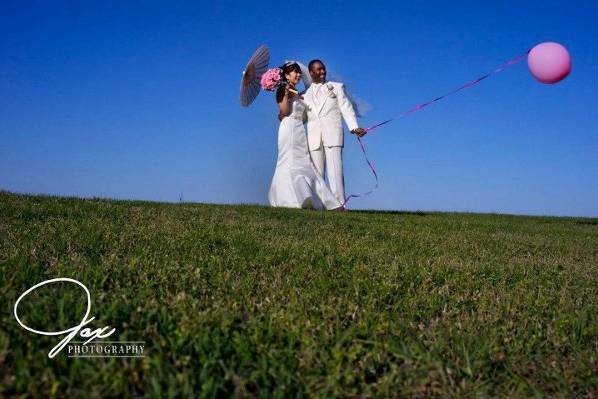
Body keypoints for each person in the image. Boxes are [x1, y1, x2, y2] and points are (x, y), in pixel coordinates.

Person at [268, 62, 343, 210]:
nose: (298, 75)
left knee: (304, 162)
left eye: (298, 72)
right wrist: (285, 93)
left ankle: (313, 197)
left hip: (299, 130)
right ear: (286, 76)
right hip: (288, 129)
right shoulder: (283, 89)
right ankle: (290, 198)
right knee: (289, 160)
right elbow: (284, 111)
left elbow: (305, 115)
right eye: (294, 72)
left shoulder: (299, 93)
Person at [303, 59, 366, 204]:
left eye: (323, 68)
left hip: (332, 134)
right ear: (311, 72)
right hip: (314, 137)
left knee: (335, 171)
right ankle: (319, 204)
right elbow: (303, 118)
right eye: (319, 69)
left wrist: (354, 127)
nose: (323, 71)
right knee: (317, 173)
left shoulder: (336, 87)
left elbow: (346, 108)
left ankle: (340, 204)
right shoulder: (304, 95)